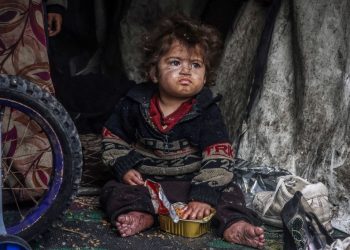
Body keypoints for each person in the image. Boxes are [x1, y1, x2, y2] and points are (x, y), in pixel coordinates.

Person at [99, 15, 265, 249]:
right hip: (148, 184)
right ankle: (139, 214)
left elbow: (219, 155)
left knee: (230, 193)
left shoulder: (206, 110)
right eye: (175, 63)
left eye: (195, 65)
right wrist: (124, 167)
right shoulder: (134, 103)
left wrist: (203, 194)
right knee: (113, 190)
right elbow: (113, 138)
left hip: (191, 183)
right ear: (154, 72)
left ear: (205, 76)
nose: (186, 71)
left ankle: (235, 226)